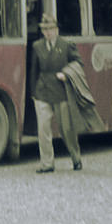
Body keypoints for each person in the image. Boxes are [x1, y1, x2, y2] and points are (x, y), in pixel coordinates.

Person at [29, 14, 83, 173]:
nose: (48, 32)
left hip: (61, 91)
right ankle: (47, 163)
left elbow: (78, 63)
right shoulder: (37, 46)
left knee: (66, 129)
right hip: (42, 91)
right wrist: (34, 92)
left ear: (57, 30)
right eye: (44, 30)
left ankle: (76, 157)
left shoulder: (66, 45)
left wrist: (66, 74)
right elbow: (34, 70)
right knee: (43, 129)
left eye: (51, 29)